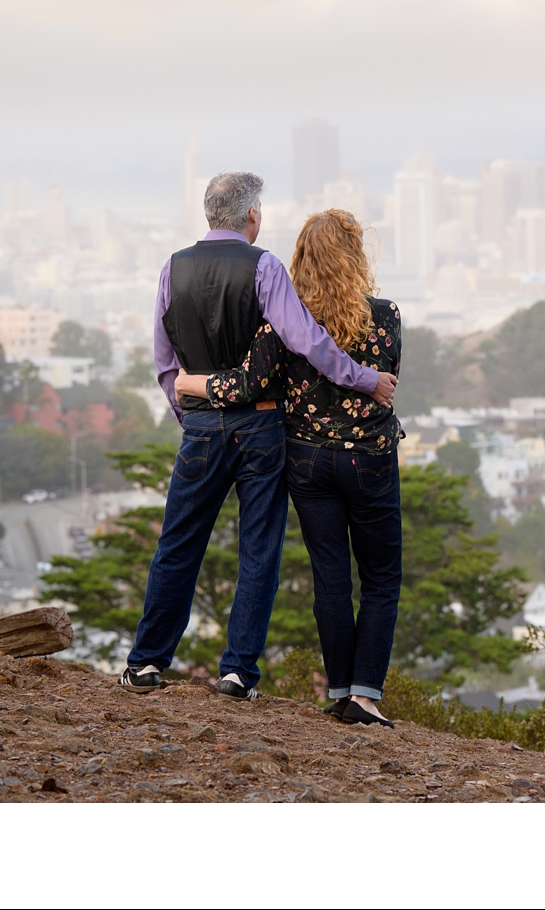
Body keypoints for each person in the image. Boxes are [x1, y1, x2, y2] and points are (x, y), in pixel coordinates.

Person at [122, 173, 396, 700]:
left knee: (177, 545)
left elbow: (164, 364)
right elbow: (308, 342)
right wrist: (364, 378)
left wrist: (193, 418)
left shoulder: (170, 269)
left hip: (200, 425)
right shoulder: (264, 266)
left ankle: (146, 663)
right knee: (258, 553)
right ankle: (238, 672)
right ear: (251, 216)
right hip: (262, 426)